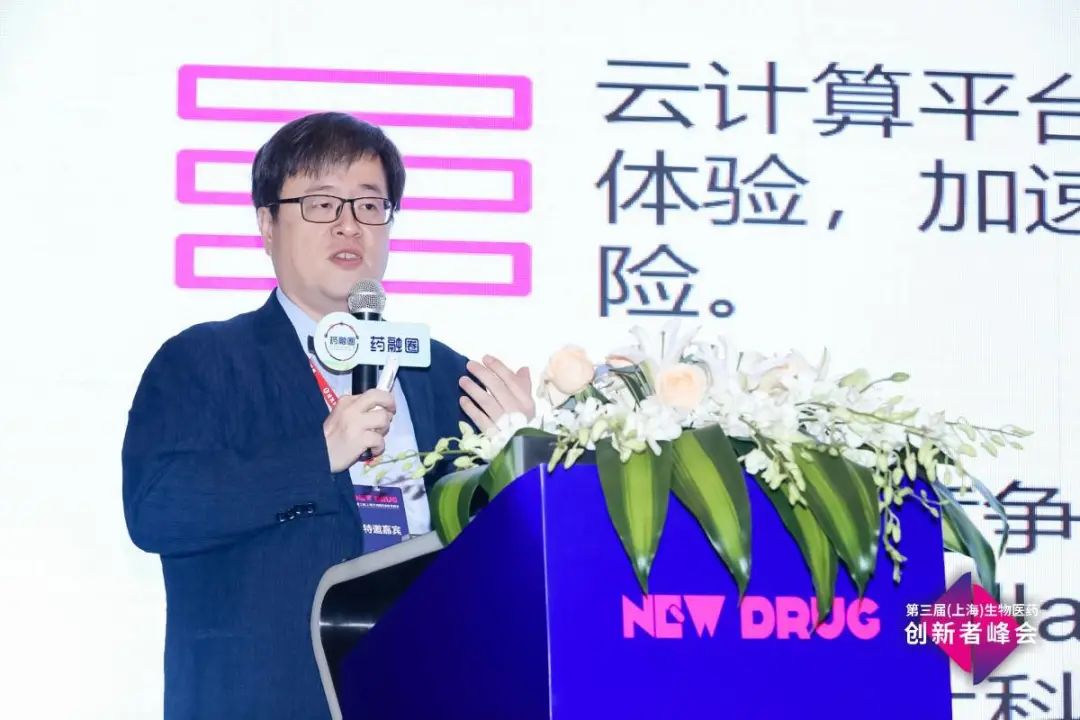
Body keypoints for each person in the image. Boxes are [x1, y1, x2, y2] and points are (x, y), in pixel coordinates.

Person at [122, 112, 534, 719]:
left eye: (369, 205)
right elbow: (158, 510)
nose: (349, 224)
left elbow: (503, 568)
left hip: (426, 692)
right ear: (267, 224)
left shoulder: (450, 378)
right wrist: (317, 455)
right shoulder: (205, 361)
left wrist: (522, 463)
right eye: (320, 204)